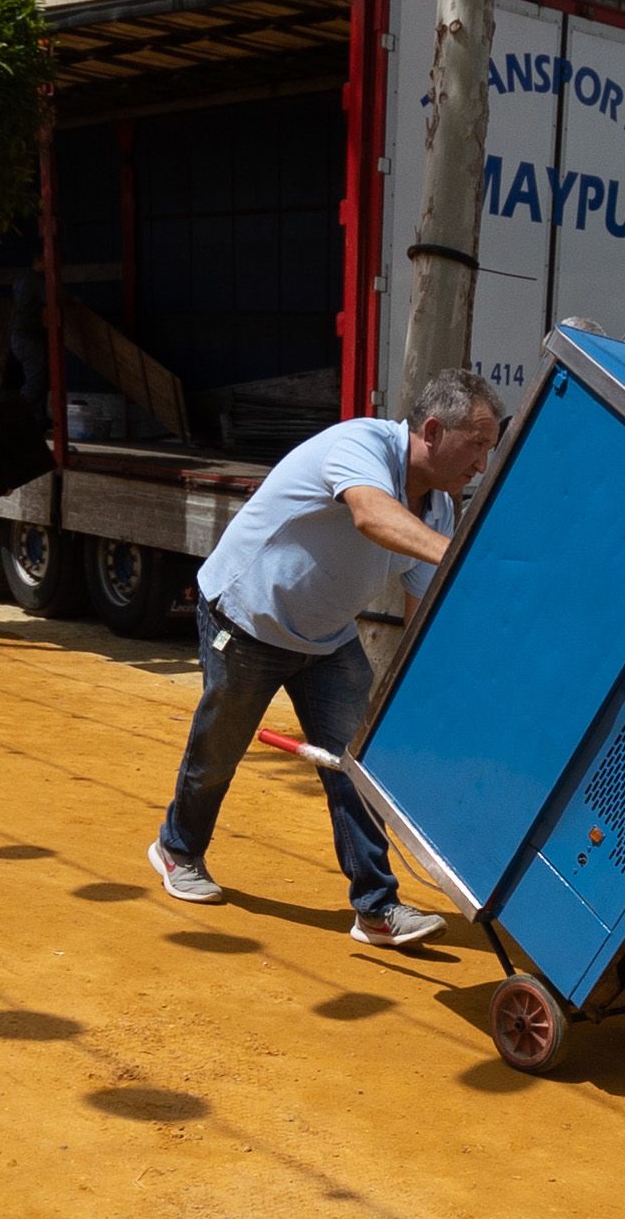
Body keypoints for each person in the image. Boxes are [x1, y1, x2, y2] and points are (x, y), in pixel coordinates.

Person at [147, 368, 502, 947]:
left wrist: (425, 695)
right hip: (246, 619)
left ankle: (376, 907)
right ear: (434, 430)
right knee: (219, 751)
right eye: (477, 445)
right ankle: (177, 849)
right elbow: (370, 514)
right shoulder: (359, 445)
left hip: (328, 639)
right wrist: (466, 558)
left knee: (357, 769)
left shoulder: (439, 508)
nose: (482, 464)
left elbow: (421, 610)